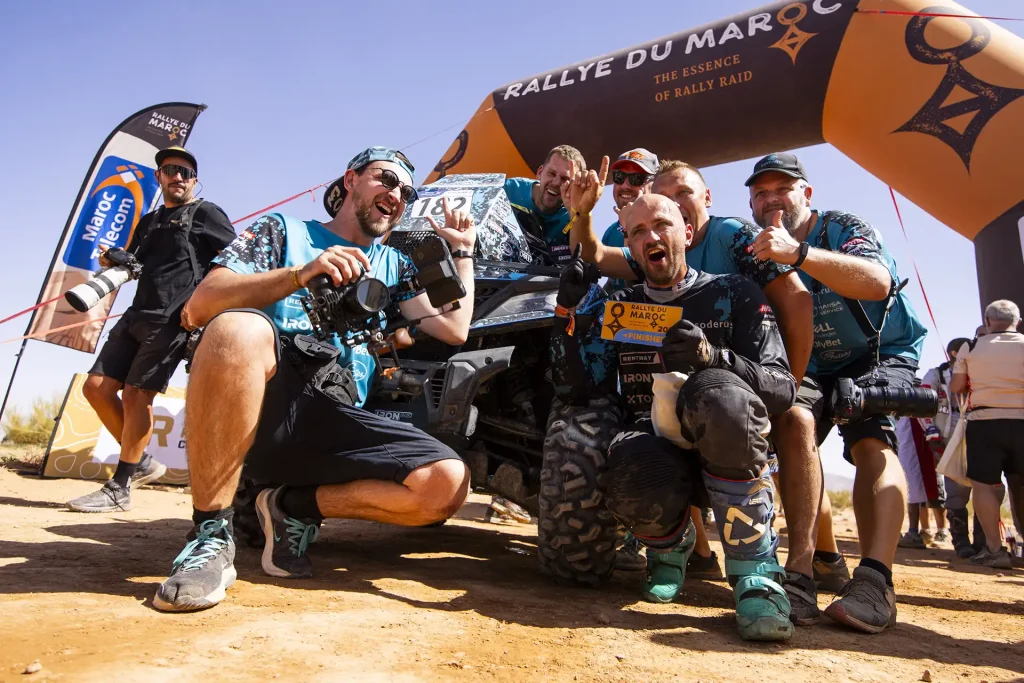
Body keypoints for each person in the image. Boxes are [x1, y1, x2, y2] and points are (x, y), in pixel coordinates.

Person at [151, 147, 477, 612]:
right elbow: (200, 305)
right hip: (264, 406)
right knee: (236, 328)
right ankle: (210, 536)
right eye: (386, 179)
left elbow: (454, 329)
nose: (396, 194)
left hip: (334, 416)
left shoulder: (394, 265)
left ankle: (291, 506)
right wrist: (300, 274)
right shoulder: (285, 231)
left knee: (445, 483)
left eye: (406, 192)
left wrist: (462, 252)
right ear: (351, 179)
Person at [568, 157, 826, 624]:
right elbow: (582, 388)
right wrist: (568, 316)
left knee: (721, 396)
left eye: (662, 225)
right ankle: (668, 548)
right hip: (656, 453)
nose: (651, 236)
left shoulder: (735, 292)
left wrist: (714, 358)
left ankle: (756, 575)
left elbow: (782, 388)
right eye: (638, 231)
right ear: (630, 248)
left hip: (730, 446)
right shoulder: (618, 307)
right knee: (624, 458)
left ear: (687, 233)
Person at [746, 152, 928, 634]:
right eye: (760, 193)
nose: (771, 199)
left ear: (806, 194)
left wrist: (798, 254)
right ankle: (803, 571)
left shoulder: (843, 226)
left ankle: (876, 582)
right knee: (792, 425)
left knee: (870, 439)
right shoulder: (752, 248)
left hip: (878, 352)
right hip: (810, 360)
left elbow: (878, 281)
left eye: (782, 188)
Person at [67, 147, 236, 513]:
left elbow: (236, 260)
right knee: (95, 388)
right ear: (159, 176)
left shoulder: (206, 213)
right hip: (136, 314)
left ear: (194, 180)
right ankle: (140, 461)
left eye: (185, 172)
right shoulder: (149, 221)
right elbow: (135, 264)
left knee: (135, 396)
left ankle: (120, 487)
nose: (177, 177)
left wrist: (204, 306)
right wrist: (113, 258)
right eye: (170, 170)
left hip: (173, 320)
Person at [949, 299, 1024, 569]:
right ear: (1018, 322)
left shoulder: (971, 347)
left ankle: (994, 550)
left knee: (983, 486)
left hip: (985, 422)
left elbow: (957, 386)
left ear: (988, 321)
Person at [919, 337, 976, 556]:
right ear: (955, 354)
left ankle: (983, 542)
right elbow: (923, 404)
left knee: (985, 487)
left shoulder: (981, 372)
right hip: (949, 437)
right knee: (956, 488)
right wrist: (931, 432)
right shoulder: (936, 374)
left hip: (979, 433)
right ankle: (961, 542)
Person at [503, 144, 585, 265]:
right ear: (540, 172)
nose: (556, 183)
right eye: (552, 173)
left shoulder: (573, 215)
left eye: (565, 179)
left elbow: (583, 257)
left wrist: (578, 215)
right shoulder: (508, 190)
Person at [895, 416, 948, 548]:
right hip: (905, 434)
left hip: (925, 432)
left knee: (931, 484)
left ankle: (940, 531)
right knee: (914, 486)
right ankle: (922, 531)